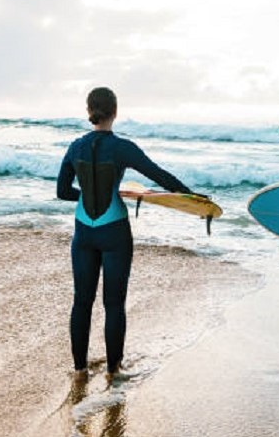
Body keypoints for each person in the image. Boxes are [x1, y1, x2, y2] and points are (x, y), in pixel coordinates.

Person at [57, 87, 193, 380]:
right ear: (115, 112)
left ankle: (79, 370)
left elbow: (62, 191)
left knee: (82, 300)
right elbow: (160, 177)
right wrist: (192, 197)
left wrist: (86, 195)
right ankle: (112, 370)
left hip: (83, 233)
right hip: (114, 232)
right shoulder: (122, 147)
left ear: (89, 111)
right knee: (113, 303)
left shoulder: (74, 147)